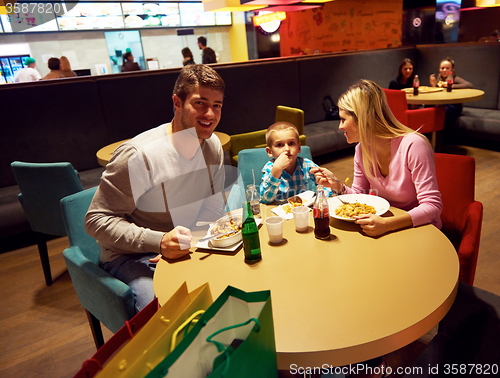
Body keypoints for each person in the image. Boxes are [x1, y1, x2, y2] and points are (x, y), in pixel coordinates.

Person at [85, 64, 227, 312]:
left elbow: (213, 204)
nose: (210, 114)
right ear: (177, 102)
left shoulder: (212, 145)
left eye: (217, 105)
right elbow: (96, 220)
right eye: (200, 103)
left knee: (229, 285)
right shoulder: (138, 155)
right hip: (130, 255)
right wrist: (159, 242)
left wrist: (187, 242)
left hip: (184, 244)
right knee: (162, 309)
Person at [311, 80, 442, 238]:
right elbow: (360, 194)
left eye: (343, 119)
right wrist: (337, 186)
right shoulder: (361, 149)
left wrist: (387, 225)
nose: (340, 127)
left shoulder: (413, 145)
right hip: (384, 227)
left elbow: (432, 206)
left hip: (420, 229)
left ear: (362, 119)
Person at [260, 121, 332, 204]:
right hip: (279, 212)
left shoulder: (307, 165)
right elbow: (265, 199)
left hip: (304, 211)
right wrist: (276, 171)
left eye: (291, 143)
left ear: (298, 148)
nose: (287, 149)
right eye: (280, 145)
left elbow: (325, 186)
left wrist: (322, 196)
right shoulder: (270, 168)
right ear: (270, 152)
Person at [429, 57, 473, 138]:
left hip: (453, 106)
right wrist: (433, 85)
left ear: (452, 69)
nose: (444, 70)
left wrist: (451, 85)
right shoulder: (439, 79)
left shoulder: (455, 78)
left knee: (441, 113)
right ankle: (429, 137)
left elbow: (469, 85)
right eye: (442, 68)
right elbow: (437, 94)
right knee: (428, 108)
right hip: (441, 104)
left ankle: (440, 140)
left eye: (447, 68)